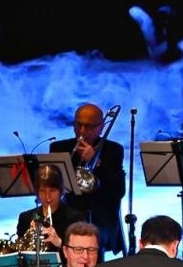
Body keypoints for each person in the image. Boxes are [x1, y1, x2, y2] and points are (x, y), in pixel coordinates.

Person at [51, 102, 127, 256]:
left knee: (88, 239)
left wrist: (96, 161)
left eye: (89, 127)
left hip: (101, 215)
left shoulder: (113, 150)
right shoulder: (59, 148)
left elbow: (118, 191)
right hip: (68, 212)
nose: (82, 131)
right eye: (78, 125)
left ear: (101, 127)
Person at [15, 166, 86, 251]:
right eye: (42, 191)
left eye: (52, 190)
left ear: (60, 190)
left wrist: (59, 242)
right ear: (37, 192)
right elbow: (19, 253)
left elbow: (80, 252)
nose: (47, 196)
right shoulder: (25, 218)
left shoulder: (76, 219)